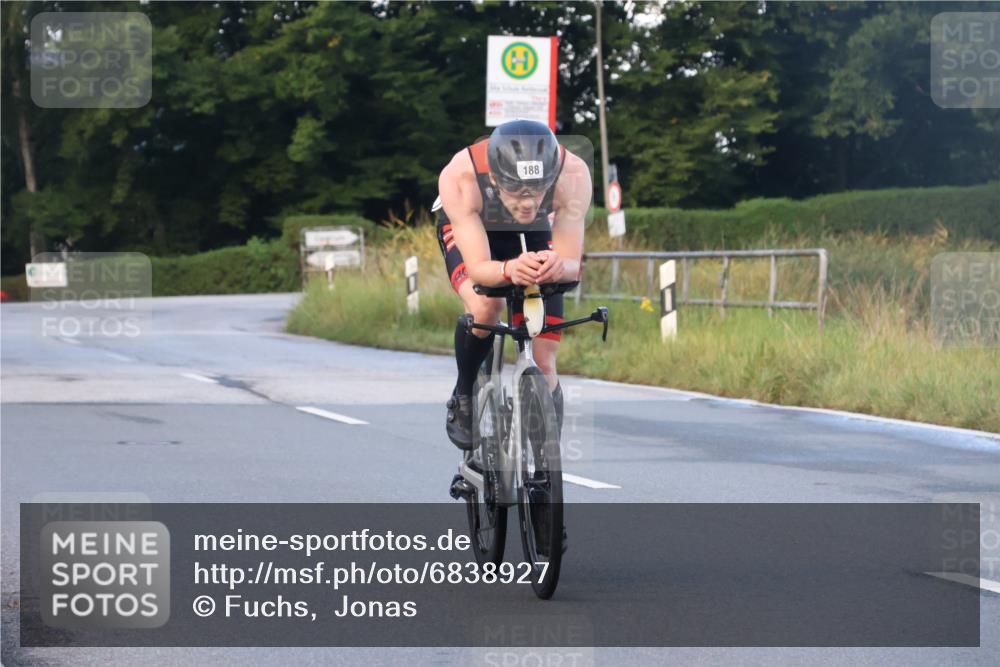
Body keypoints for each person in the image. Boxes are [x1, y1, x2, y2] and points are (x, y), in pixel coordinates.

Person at [434, 119, 592, 450]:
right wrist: (508, 270)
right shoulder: (462, 177)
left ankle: (545, 464)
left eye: (537, 191)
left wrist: (556, 266)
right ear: (494, 178)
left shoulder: (572, 175)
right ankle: (464, 393)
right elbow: (478, 269)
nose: (528, 203)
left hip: (536, 232)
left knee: (545, 355)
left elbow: (571, 263)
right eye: (517, 193)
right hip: (474, 226)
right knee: (486, 306)